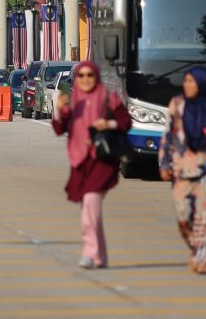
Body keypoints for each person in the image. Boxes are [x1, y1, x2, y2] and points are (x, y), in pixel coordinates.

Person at [52, 60, 132, 269]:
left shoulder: (108, 97)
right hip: (80, 162)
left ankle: (89, 253)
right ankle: (100, 257)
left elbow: (126, 122)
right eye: (81, 76)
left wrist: (108, 123)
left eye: (90, 75)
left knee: (90, 206)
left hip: (102, 160)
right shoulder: (73, 102)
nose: (86, 79)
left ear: (96, 77)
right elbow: (60, 129)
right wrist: (59, 110)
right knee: (90, 210)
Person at [159, 65, 206, 274]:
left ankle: (204, 258)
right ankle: (196, 248)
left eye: (192, 81)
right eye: (186, 81)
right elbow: (168, 137)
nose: (187, 85)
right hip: (181, 170)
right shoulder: (177, 105)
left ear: (203, 84)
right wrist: (164, 163)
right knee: (183, 216)